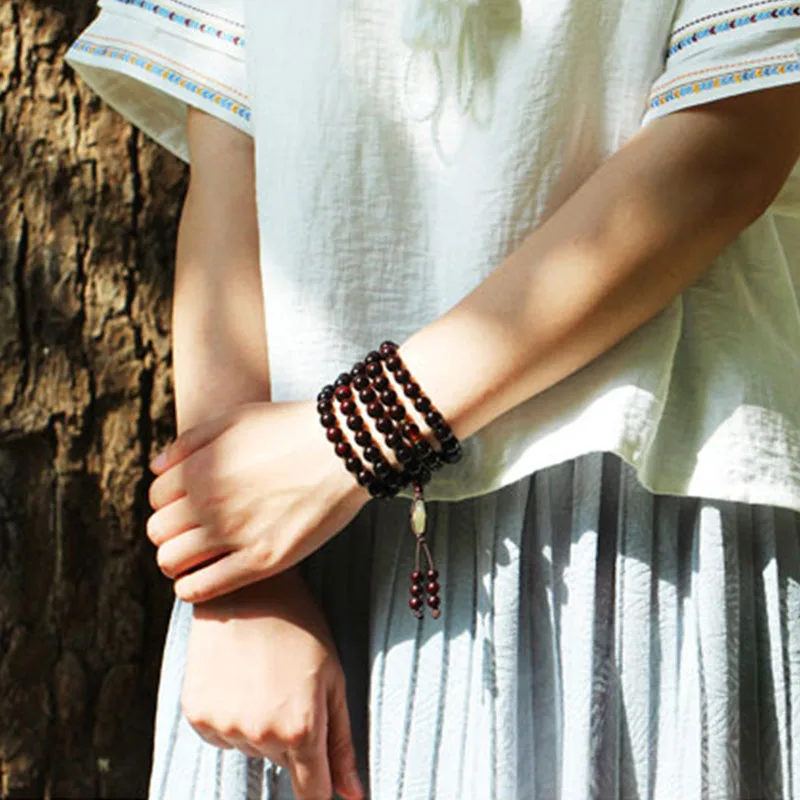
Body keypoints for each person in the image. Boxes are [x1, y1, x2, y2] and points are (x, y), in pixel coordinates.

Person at [66, 1, 800, 798]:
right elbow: (231, 143)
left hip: (618, 510)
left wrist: (351, 439)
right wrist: (239, 582)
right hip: (293, 530)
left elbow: (733, 141)